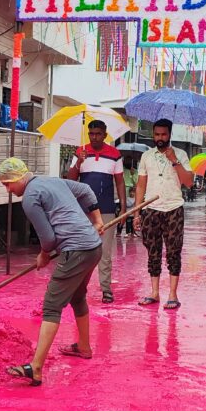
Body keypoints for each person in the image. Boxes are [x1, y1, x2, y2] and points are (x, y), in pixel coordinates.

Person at [0, 157, 104, 387]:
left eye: (8, 184)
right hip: (93, 247)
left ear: (18, 178)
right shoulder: (54, 181)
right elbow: (86, 191)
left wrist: (44, 254)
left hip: (76, 250)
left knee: (51, 307)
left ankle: (35, 368)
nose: (8, 189)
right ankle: (84, 347)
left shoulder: (30, 198)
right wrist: (96, 221)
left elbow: (48, 238)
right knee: (77, 296)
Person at [133, 119, 194, 311]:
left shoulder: (181, 155)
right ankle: (154, 292)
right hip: (151, 208)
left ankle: (173, 294)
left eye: (164, 134)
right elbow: (141, 185)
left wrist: (174, 160)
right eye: (157, 134)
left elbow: (189, 183)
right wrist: (137, 212)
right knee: (153, 251)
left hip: (174, 207)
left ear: (170, 135)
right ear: (153, 134)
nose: (160, 138)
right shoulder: (146, 156)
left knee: (174, 251)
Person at [66, 119, 126, 303]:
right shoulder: (80, 151)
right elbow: (70, 179)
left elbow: (120, 182)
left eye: (98, 134)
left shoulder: (115, 154)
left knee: (104, 252)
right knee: (80, 250)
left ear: (105, 134)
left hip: (106, 209)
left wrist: (123, 207)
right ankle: (76, 288)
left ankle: (106, 289)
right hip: (83, 210)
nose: (94, 137)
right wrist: (79, 163)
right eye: (91, 134)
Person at [119, 156, 139, 237]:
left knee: (131, 213)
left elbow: (137, 183)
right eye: (126, 159)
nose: (128, 161)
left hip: (131, 194)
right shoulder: (121, 169)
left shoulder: (135, 171)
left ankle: (132, 231)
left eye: (129, 159)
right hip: (122, 192)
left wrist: (133, 174)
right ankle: (119, 231)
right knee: (121, 212)